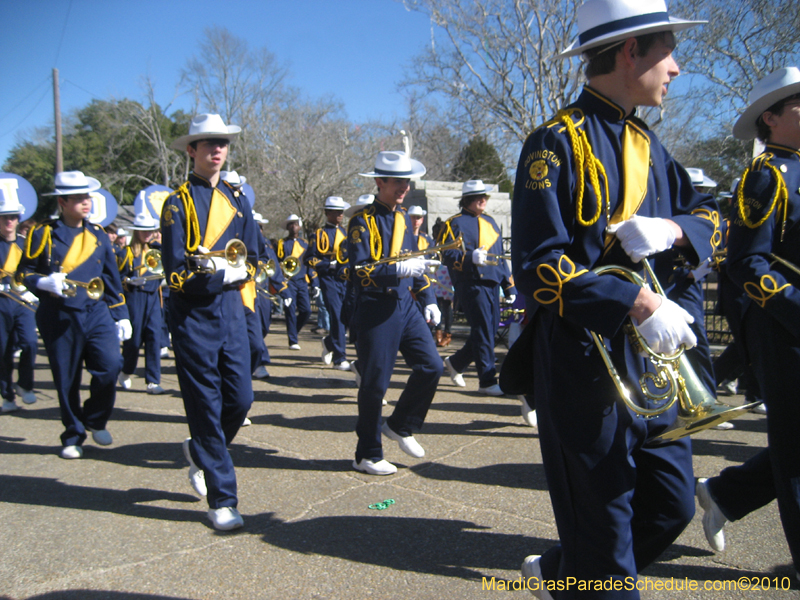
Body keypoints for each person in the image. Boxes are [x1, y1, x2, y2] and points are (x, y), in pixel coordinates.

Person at [510, 1, 717, 596]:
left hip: (651, 363)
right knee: (604, 539)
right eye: (667, 51)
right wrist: (637, 301)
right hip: (583, 359)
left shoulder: (649, 144)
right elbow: (539, 267)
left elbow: (710, 216)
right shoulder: (554, 143)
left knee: (672, 506)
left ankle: (563, 574)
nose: (675, 67)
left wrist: (674, 230)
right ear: (631, 52)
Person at [699, 66, 800, 575]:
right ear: (771, 118)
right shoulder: (767, 175)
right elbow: (745, 262)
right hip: (785, 330)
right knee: (796, 449)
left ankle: (727, 493)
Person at [162, 113, 259, 530]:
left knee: (241, 399)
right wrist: (219, 275)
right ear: (192, 150)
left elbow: (254, 255)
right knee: (205, 404)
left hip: (232, 311)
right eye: (208, 143)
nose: (217, 149)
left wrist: (243, 272)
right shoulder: (177, 202)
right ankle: (223, 499)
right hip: (193, 316)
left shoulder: (238, 199)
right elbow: (175, 273)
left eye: (222, 142)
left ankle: (201, 449)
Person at [18, 171, 131, 459]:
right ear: (62, 202)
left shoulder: (98, 234)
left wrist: (121, 314)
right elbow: (24, 272)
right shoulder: (43, 233)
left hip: (95, 311)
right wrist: (43, 283)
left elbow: (111, 278)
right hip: (59, 314)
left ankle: (95, 418)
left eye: (87, 196)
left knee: (110, 365)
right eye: (79, 197)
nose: (86, 202)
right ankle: (73, 433)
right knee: (66, 377)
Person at [347, 150, 443, 475]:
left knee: (432, 366)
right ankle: (367, 453)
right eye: (398, 181)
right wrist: (397, 270)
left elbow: (417, 264)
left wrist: (428, 298)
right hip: (376, 306)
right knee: (375, 384)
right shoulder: (361, 221)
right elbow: (359, 271)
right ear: (380, 182)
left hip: (406, 305)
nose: (404, 187)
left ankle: (400, 424)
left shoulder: (403, 218)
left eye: (407, 181)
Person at [439, 180, 517, 396]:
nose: (483, 200)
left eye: (485, 196)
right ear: (467, 200)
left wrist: (509, 287)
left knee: (489, 330)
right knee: (483, 329)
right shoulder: (454, 223)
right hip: (471, 283)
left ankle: (457, 362)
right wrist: (469, 258)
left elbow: (500, 258)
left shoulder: (491, 221)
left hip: (492, 283)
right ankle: (487, 380)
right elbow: (446, 254)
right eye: (478, 197)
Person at [117, 210, 165, 395]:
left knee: (154, 337)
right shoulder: (126, 253)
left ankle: (153, 380)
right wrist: (128, 281)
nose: (147, 234)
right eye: (144, 230)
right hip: (135, 297)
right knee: (134, 339)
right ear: (136, 231)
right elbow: (118, 277)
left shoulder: (156, 251)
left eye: (150, 230)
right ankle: (126, 370)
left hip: (153, 296)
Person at [0, 189, 38, 412]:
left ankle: (25, 384)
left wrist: (34, 289)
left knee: (30, 343)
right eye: (4, 217)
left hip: (23, 302)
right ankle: (7, 396)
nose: (9, 221)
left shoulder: (26, 245)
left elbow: (35, 271)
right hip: (1, 303)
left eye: (13, 217)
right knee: (3, 350)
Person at [308, 196, 351, 370]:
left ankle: (329, 342)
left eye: (341, 211)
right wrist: (328, 265)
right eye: (336, 211)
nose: (340, 214)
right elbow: (309, 259)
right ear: (327, 213)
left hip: (345, 278)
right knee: (337, 315)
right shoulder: (318, 234)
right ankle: (340, 358)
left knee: (347, 316)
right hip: (328, 278)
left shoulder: (347, 233)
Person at [275, 214, 318, 350]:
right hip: (289, 281)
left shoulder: (305, 243)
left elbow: (309, 264)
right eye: (291, 224)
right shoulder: (282, 243)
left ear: (299, 227)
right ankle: (293, 340)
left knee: (306, 311)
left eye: (296, 224)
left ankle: (294, 330)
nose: (293, 227)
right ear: (287, 227)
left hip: (302, 280)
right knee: (290, 310)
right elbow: (278, 261)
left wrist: (315, 282)